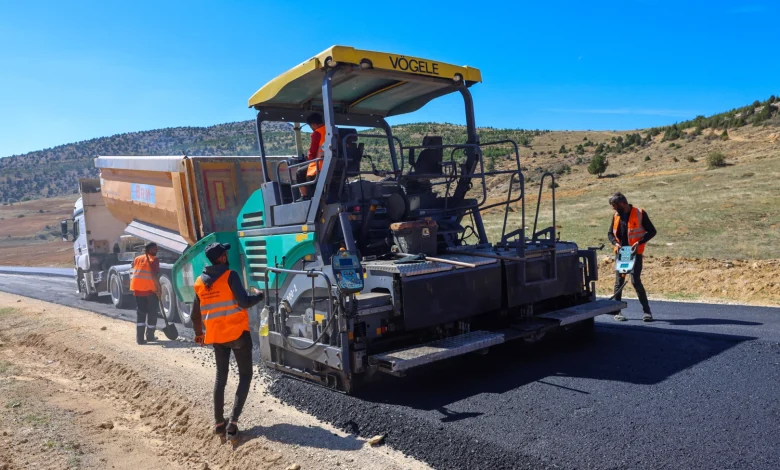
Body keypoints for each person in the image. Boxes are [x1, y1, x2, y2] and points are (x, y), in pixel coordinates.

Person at [192, 242, 263, 441]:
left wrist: (199, 334)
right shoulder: (230, 275)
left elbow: (195, 315)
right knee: (245, 376)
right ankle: (233, 423)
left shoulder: (199, 282)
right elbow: (244, 302)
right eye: (225, 253)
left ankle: (218, 423)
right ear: (221, 258)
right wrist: (259, 296)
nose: (226, 256)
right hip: (237, 334)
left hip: (217, 337)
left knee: (220, 378)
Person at [607, 192, 657, 322]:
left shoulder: (640, 213)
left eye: (614, 205)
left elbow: (652, 231)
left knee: (635, 281)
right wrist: (615, 243)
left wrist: (639, 242)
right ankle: (617, 312)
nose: (613, 208)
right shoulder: (616, 215)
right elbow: (610, 234)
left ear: (622, 203)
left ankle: (647, 312)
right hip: (623, 253)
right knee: (619, 282)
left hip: (635, 253)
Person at [130, 242, 161, 344]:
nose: (156, 251)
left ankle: (139, 339)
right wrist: (159, 289)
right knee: (152, 313)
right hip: (149, 290)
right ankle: (150, 336)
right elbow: (154, 277)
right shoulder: (154, 260)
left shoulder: (137, 258)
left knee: (141, 314)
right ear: (150, 249)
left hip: (137, 290)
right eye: (155, 249)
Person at [295, 112, 327, 201]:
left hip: (321, 165)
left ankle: (305, 196)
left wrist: (307, 158)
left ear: (313, 124)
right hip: (337, 164)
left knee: (299, 172)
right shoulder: (331, 130)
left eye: (311, 127)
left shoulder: (317, 133)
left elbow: (312, 153)